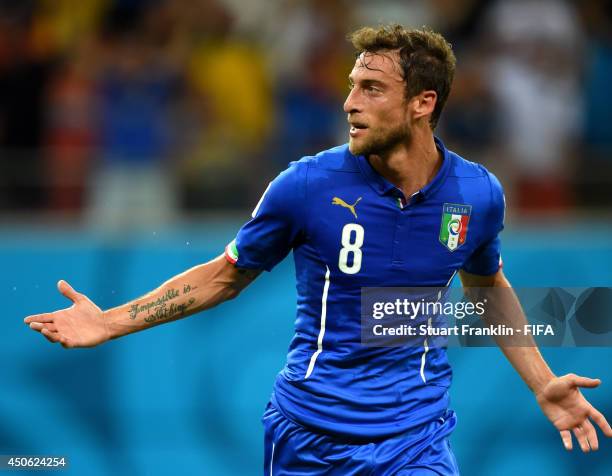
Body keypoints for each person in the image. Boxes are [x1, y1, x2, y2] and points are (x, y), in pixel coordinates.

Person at [24, 24, 611, 475]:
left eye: (371, 88)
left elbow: (487, 289)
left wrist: (541, 382)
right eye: (351, 86)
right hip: (311, 435)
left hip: (418, 436)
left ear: (422, 104)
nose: (350, 103)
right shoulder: (306, 185)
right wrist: (109, 322)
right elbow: (223, 276)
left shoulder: (477, 194)